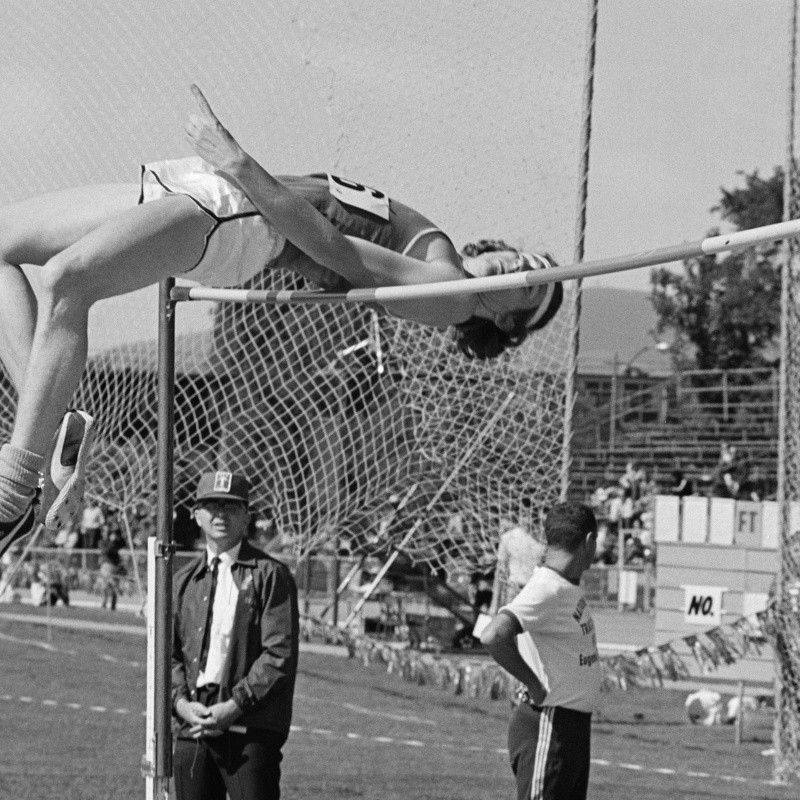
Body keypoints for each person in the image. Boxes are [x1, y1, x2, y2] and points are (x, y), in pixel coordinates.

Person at [0, 84, 564, 559]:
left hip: (245, 222)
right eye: (526, 259)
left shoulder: (455, 298)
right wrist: (231, 170)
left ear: (507, 319)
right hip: (220, 189)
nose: (517, 265)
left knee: (65, 282)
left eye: (528, 283)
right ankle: (48, 419)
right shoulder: (438, 252)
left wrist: (238, 161)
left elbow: (338, 254)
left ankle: (13, 488)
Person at [172, 470, 299, 800]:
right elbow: (168, 654)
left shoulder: (272, 575)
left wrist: (234, 706)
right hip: (193, 726)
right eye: (212, 505)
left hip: (249, 729)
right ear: (196, 514)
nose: (220, 515)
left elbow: (279, 654)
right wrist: (181, 704)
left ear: (246, 516)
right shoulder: (184, 581)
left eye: (231, 507)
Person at [480, 503, 600, 800]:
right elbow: (494, 635)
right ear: (588, 542)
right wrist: (533, 682)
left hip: (571, 727)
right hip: (550, 723)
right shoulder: (547, 588)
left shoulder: (564, 585)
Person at [488, 519, 546, 614]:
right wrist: (494, 604)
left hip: (534, 593)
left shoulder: (543, 541)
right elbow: (500, 572)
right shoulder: (509, 537)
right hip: (514, 591)